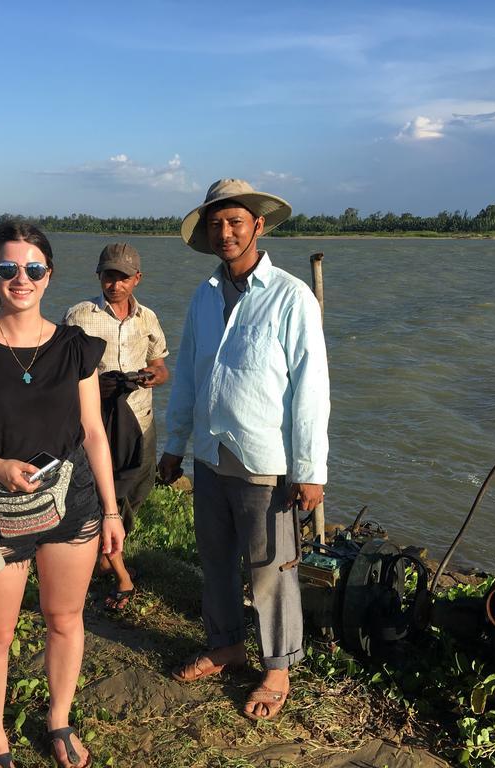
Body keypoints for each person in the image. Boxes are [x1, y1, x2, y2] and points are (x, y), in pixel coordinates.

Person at [0, 221, 124, 768]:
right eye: (9, 268)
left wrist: (112, 510)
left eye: (34, 269)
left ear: (50, 276)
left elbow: (93, 431)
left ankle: (59, 719)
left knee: (65, 618)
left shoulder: (75, 346)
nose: (22, 279)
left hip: (73, 505)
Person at [158, 178, 330, 720]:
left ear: (257, 226)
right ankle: (227, 645)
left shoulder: (290, 295)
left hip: (264, 462)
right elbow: (187, 374)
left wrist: (310, 469)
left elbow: (310, 388)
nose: (225, 232)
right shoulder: (204, 296)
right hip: (210, 455)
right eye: (216, 224)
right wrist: (174, 444)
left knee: (271, 568)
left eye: (235, 222)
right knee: (214, 560)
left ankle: (277, 668)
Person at [63, 242, 169, 610]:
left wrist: (150, 377)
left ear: (136, 279)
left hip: (141, 419)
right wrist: (96, 383)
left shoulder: (148, 319)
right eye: (109, 275)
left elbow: (161, 365)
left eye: (123, 277)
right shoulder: (80, 315)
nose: (115, 284)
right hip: (99, 422)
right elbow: (62, 369)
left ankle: (105, 555)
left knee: (138, 490)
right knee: (107, 495)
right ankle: (116, 566)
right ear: (99, 276)